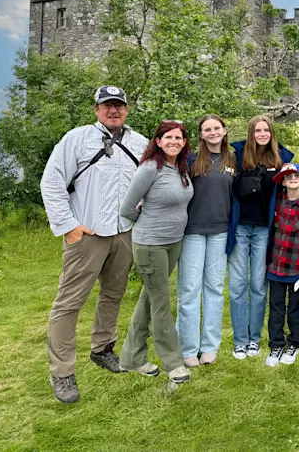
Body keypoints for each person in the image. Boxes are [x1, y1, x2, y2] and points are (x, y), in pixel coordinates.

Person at [41, 85, 148, 404]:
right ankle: (62, 371)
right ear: (96, 109)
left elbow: (147, 183)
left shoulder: (140, 143)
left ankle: (103, 348)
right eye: (107, 105)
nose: (113, 110)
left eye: (119, 105)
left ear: (127, 109)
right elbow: (52, 181)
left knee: (113, 295)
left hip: (124, 232)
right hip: (86, 234)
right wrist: (68, 226)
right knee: (69, 302)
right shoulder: (77, 139)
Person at [118, 120, 194, 386]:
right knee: (161, 301)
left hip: (173, 243)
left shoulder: (180, 169)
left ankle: (131, 358)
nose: (174, 141)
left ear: (184, 143)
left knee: (149, 300)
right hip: (151, 245)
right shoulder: (150, 169)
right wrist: (147, 222)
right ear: (158, 141)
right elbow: (127, 209)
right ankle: (173, 363)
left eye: (179, 138)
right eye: (168, 137)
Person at [227, 115, 293, 360]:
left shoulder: (281, 159)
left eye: (266, 130)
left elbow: (293, 187)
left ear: (272, 133)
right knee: (237, 286)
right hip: (239, 226)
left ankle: (254, 339)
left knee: (258, 286)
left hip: (264, 229)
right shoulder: (238, 154)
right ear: (251, 132)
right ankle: (239, 341)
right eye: (258, 130)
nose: (262, 134)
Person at [176, 115, 235, 367]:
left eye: (216, 128)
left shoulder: (234, 160)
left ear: (224, 131)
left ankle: (209, 346)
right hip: (192, 231)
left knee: (214, 290)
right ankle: (187, 349)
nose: (212, 132)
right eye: (207, 129)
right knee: (189, 290)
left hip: (221, 232)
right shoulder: (189, 160)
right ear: (200, 134)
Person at [265, 163, 299, 367]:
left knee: (296, 308)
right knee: (276, 308)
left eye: (297, 176)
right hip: (276, 268)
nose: (293, 179)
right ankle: (276, 344)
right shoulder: (277, 203)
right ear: (283, 182)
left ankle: (294, 343)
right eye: (288, 177)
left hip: (297, 270)